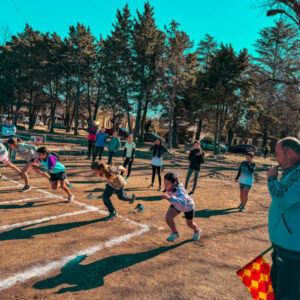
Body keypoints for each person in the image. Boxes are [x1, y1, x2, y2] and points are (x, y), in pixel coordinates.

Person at [267, 137, 300, 300]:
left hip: (291, 249)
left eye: (278, 154)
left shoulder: (299, 172)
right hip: (282, 243)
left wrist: (272, 179)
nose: (276, 158)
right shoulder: (292, 171)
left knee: (288, 293)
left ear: (290, 152)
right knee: (275, 287)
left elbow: (283, 199)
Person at [162, 172, 201, 242]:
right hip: (176, 205)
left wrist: (169, 198)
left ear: (174, 183)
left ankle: (197, 230)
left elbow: (183, 201)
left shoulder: (180, 190)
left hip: (187, 206)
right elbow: (175, 176)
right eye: (164, 183)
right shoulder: (173, 182)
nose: (165, 185)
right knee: (168, 218)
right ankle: (175, 233)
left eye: (167, 184)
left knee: (189, 224)